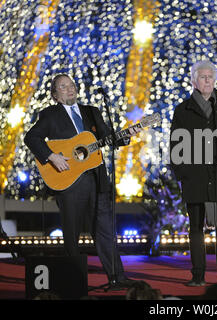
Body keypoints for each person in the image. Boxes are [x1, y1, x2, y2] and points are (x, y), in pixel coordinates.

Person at [24, 73, 136, 288]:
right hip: (68, 182)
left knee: (105, 232)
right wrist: (52, 156)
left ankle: (117, 278)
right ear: (56, 95)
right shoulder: (50, 114)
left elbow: (107, 137)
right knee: (72, 234)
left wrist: (127, 134)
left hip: (97, 179)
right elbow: (32, 138)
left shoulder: (91, 112)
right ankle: (73, 281)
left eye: (71, 85)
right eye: (63, 87)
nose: (70, 89)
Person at [170, 60, 217, 286]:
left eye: (211, 76)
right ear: (194, 81)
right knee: (196, 229)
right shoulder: (183, 109)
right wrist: (184, 174)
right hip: (196, 177)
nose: (208, 80)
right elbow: (175, 146)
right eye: (203, 76)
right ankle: (198, 275)